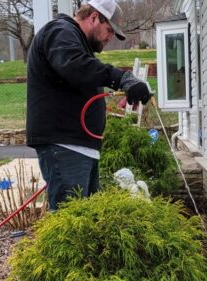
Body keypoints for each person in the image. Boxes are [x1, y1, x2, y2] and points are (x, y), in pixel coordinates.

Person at [26, 0, 152, 210]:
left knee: (87, 224)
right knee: (70, 224)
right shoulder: (60, 31)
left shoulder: (75, 42)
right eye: (109, 30)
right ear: (94, 17)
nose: (110, 37)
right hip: (64, 146)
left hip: (80, 147)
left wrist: (119, 95)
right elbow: (75, 66)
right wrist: (121, 79)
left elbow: (81, 77)